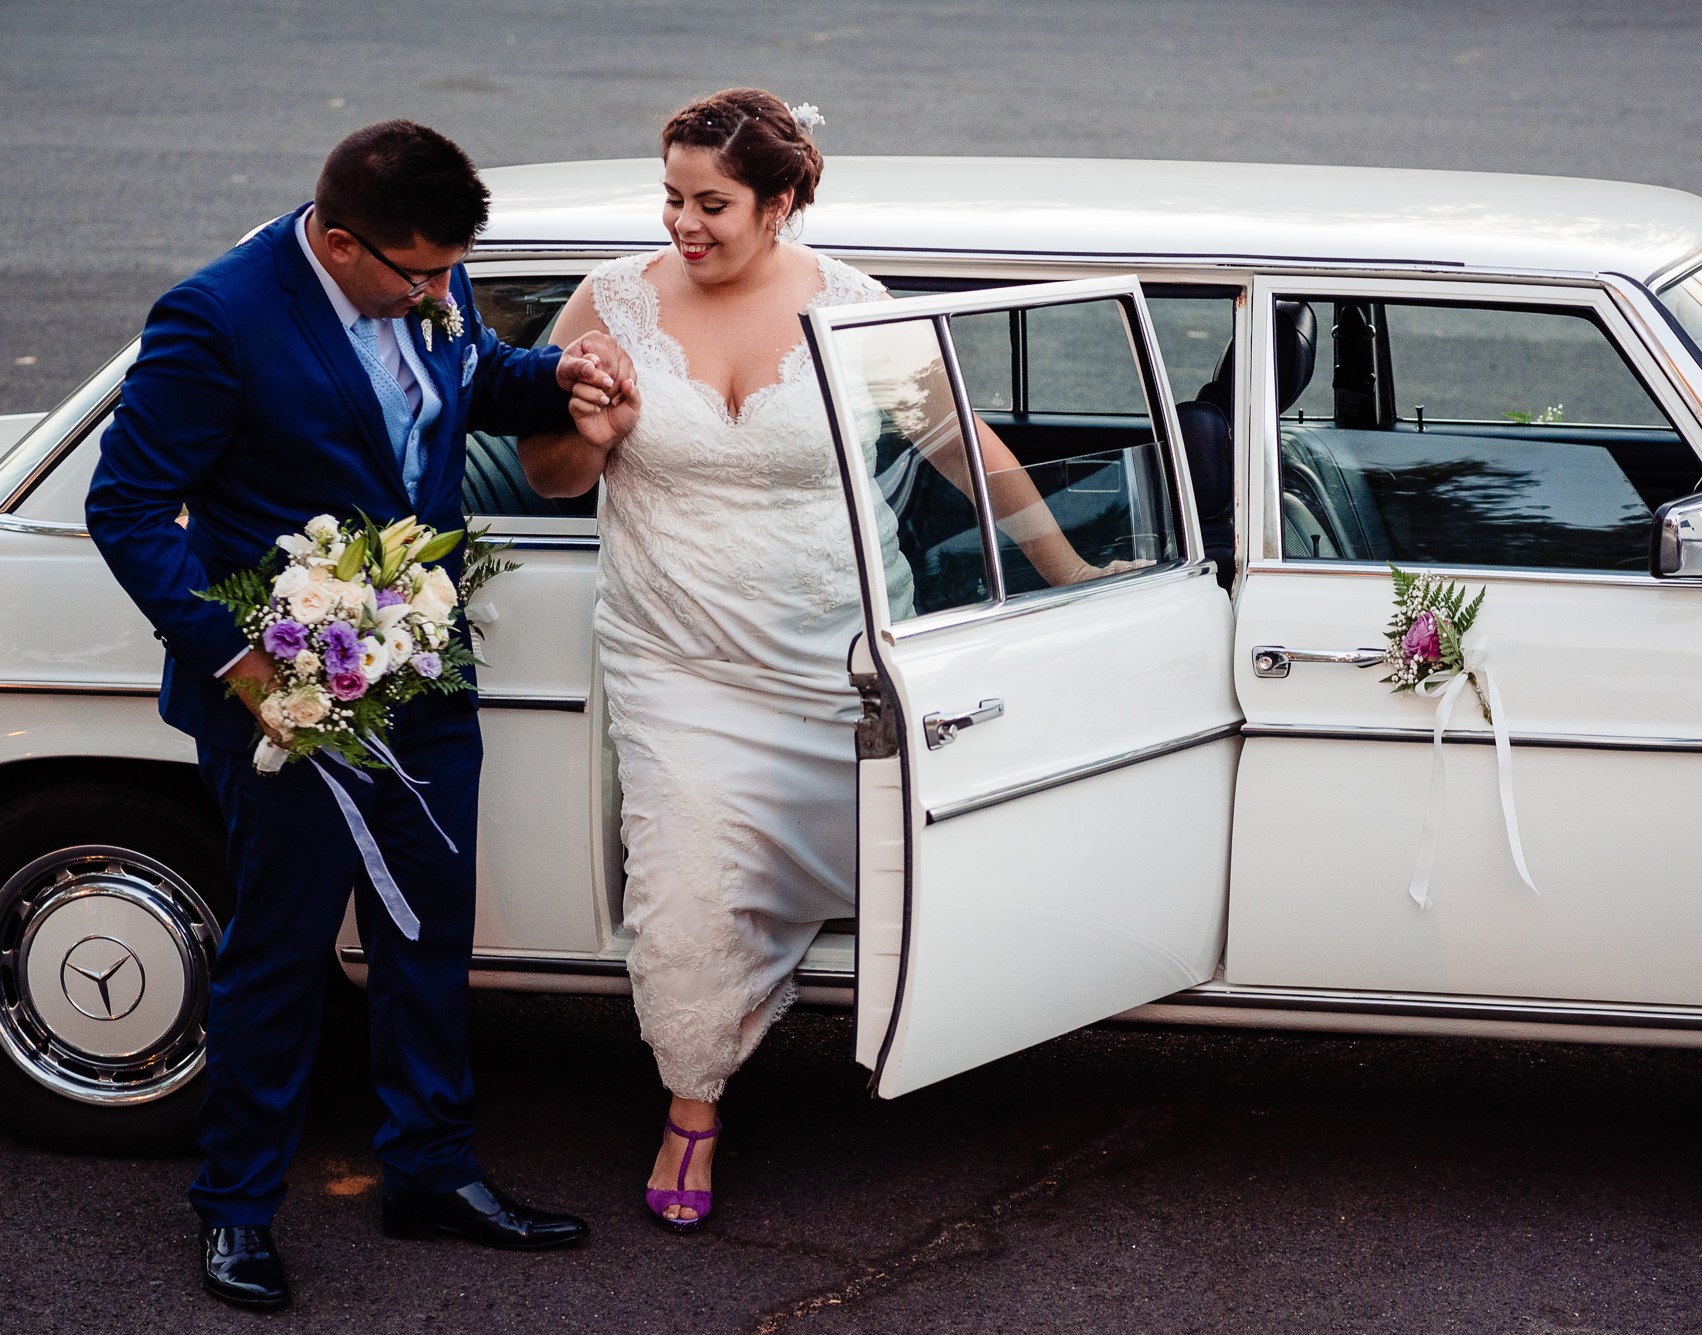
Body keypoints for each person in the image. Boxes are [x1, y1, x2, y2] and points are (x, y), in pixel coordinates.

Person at [519, 87, 1131, 1231]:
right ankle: (690, 1104)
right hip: (676, 659)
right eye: (670, 198)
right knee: (687, 892)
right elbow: (549, 477)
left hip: (837, 659)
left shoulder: (848, 306)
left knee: (920, 869)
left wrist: (1068, 576)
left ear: (782, 202)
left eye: (712, 204)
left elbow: (956, 439)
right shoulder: (609, 302)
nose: (682, 226)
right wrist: (587, 437)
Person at [87, 119, 634, 1309]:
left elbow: (470, 378)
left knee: (431, 933)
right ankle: (235, 1208)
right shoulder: (215, 317)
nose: (440, 293)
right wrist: (240, 661)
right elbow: (126, 508)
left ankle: (430, 1173)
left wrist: (555, 375)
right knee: (279, 954)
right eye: (419, 276)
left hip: (423, 668)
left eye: (448, 273)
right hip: (277, 696)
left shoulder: (429, 274)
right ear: (338, 243)